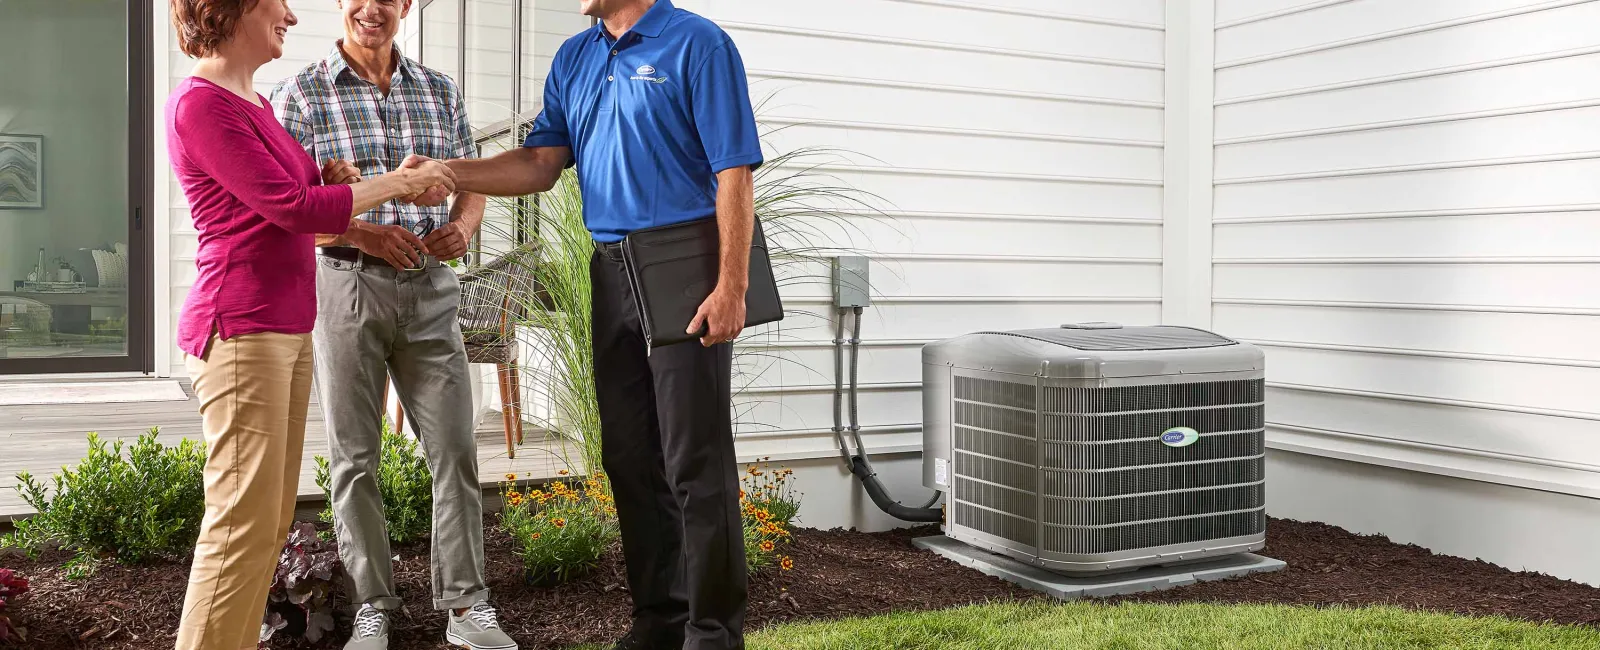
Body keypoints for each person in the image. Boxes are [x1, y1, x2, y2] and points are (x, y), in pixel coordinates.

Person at [427, 0, 763, 647]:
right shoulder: (576, 57)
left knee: (694, 460)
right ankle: (659, 621)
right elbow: (540, 163)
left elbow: (733, 171)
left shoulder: (697, 43)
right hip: (610, 268)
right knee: (629, 456)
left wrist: (732, 286)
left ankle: (714, 633)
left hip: (685, 261)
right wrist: (449, 172)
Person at [165, 1, 455, 649]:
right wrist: (397, 183)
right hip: (241, 327)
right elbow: (294, 210)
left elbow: (295, 192)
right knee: (239, 526)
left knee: (267, 527)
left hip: (285, 327)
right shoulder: (200, 106)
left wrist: (332, 175)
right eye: (277, 2)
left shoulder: (256, 104)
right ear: (235, 9)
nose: (291, 15)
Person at [268, 1, 515, 649]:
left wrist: (463, 226)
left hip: (431, 290)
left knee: (455, 448)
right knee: (355, 457)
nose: (371, 7)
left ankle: (466, 607)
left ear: (405, 5)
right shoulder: (300, 95)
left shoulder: (437, 89)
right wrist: (362, 232)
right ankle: (372, 605)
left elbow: (471, 178)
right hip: (345, 285)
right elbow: (286, 211)